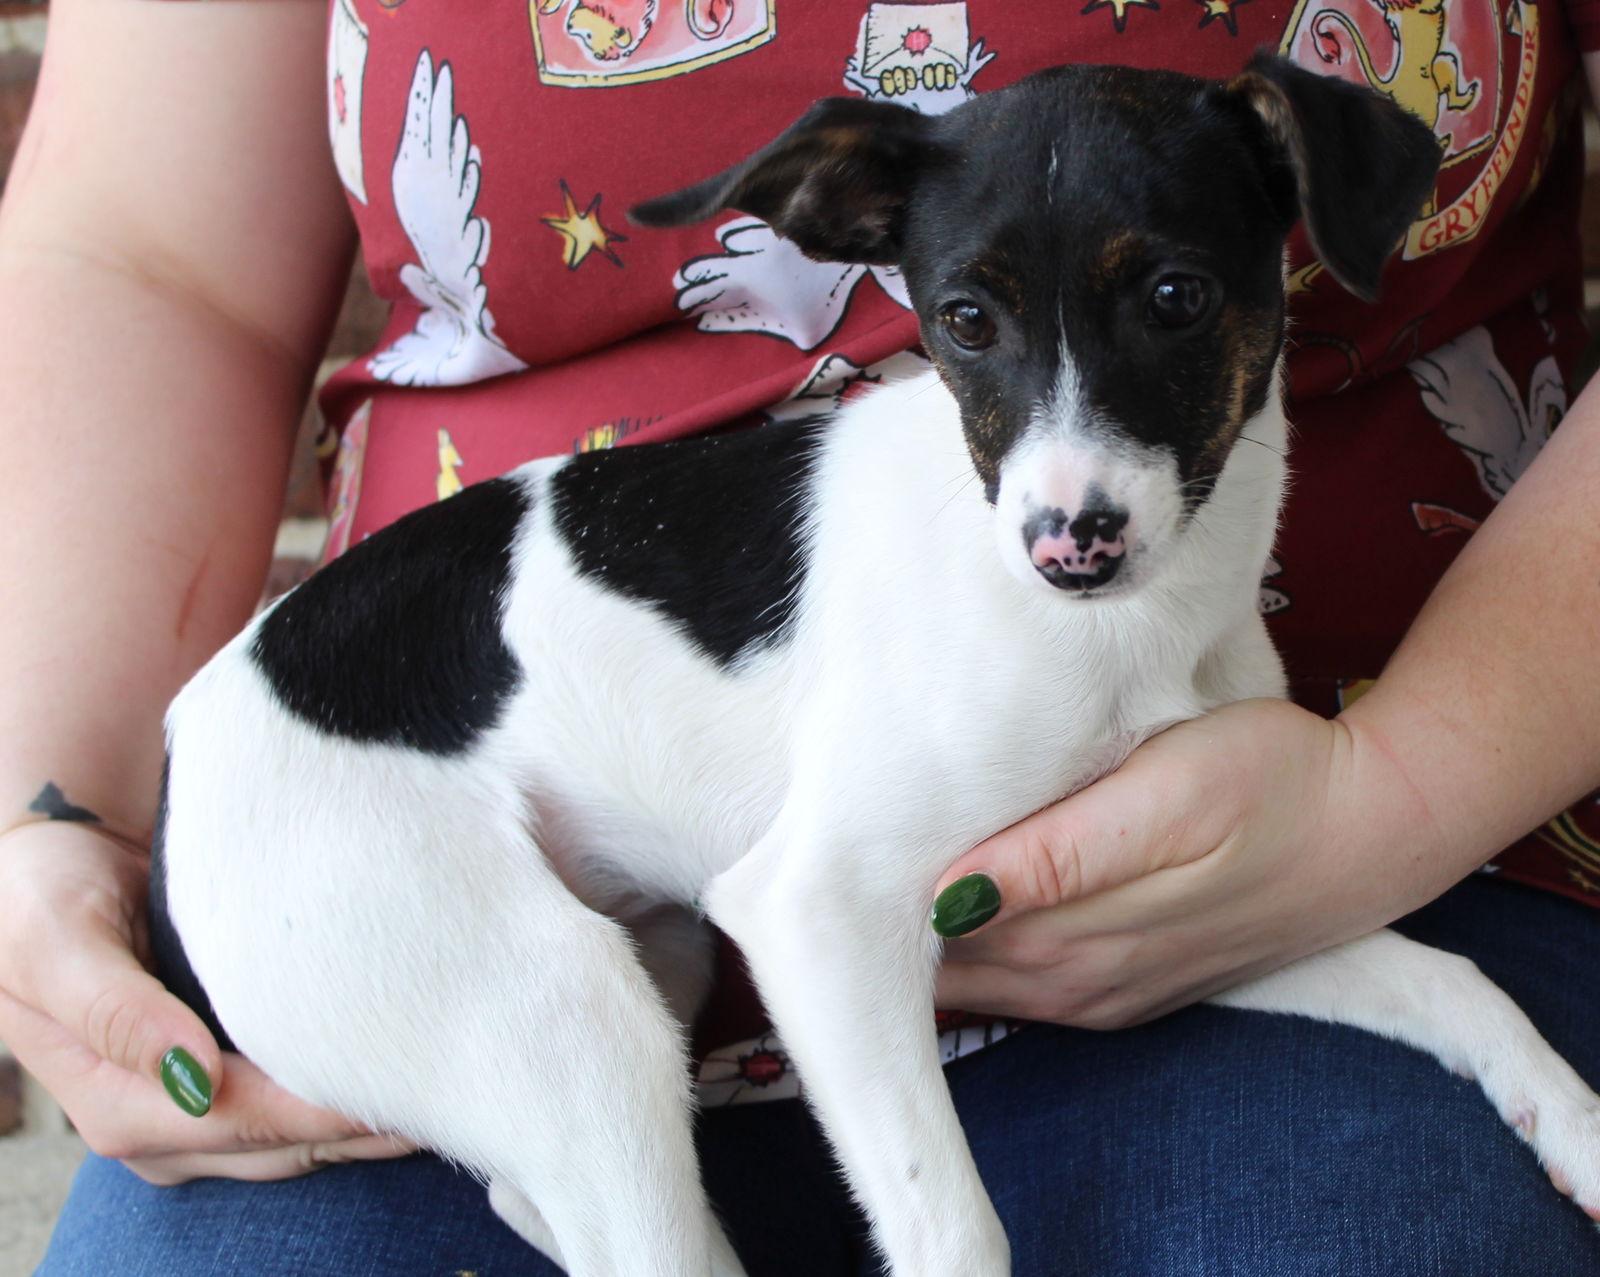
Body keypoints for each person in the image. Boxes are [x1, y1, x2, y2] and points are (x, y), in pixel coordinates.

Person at [4, 0, 1599, 1271]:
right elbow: (816, 900)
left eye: (1169, 303)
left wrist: (1395, 807)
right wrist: (45, 813)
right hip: (358, 812)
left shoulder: (1140, 602)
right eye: (971, 326)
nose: (1069, 503)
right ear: (868, 245)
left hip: (1441, 756)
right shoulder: (976, 617)